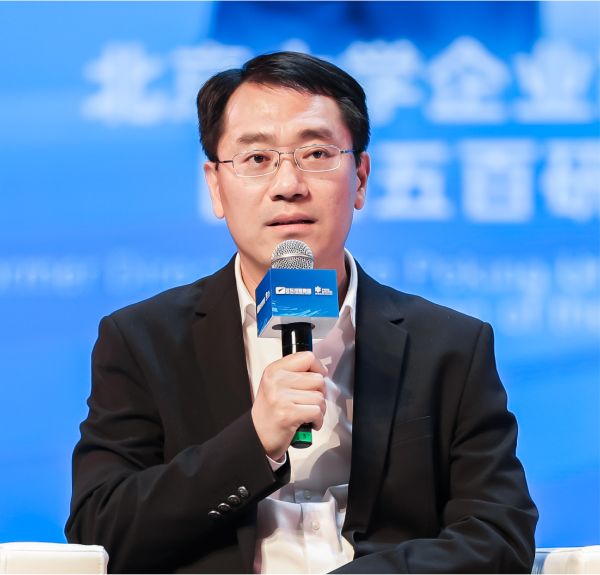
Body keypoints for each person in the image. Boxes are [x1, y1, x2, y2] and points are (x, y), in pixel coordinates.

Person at [65, 51, 538, 573]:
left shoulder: (449, 345)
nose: (288, 185)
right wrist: (254, 440)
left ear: (360, 177)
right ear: (216, 186)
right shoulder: (143, 340)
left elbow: (498, 533)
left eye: (316, 153)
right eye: (256, 158)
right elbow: (101, 527)